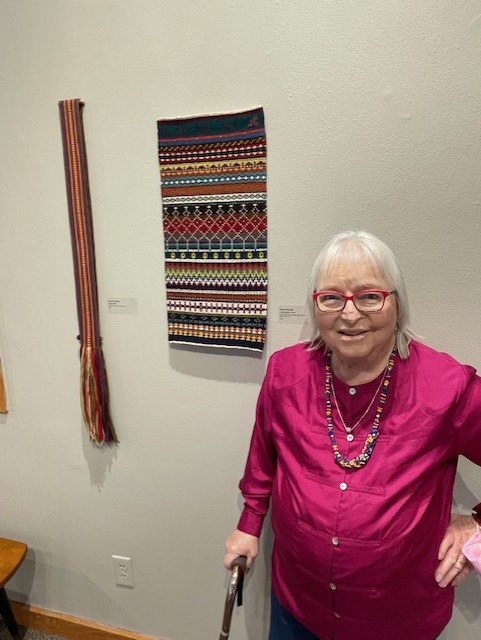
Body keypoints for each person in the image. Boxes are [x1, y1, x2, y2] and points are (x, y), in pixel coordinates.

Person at [223, 230, 481, 640]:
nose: (349, 314)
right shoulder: (285, 372)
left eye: (369, 296)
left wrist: (476, 523)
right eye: (331, 298)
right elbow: (263, 455)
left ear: (398, 304)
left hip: (397, 621)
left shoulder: (448, 386)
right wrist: (249, 522)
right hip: (297, 606)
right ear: (315, 306)